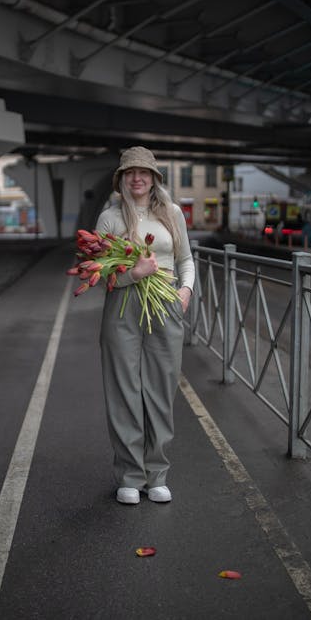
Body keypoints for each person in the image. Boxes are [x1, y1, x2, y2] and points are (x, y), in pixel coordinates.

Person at [96, 146, 195, 505]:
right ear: (121, 179)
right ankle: (129, 475)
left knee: (161, 391)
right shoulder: (109, 219)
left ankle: (157, 475)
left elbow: (186, 259)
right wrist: (132, 275)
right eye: (129, 172)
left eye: (144, 172)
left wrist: (185, 290)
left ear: (154, 178)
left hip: (165, 303)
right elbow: (101, 274)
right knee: (124, 391)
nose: (137, 178)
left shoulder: (172, 214)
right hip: (122, 306)